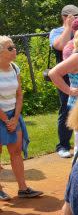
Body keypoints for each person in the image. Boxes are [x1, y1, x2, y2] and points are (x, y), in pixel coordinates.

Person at [0, 36, 41, 200]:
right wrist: (5, 119)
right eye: (10, 48)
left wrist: (15, 118)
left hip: (13, 115)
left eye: (14, 47)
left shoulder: (15, 68)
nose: (14, 50)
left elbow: (19, 94)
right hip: (2, 116)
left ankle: (23, 189)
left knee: (16, 152)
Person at [49, 4, 78, 158]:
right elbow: (60, 45)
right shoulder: (56, 32)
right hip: (65, 78)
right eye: (74, 16)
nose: (77, 18)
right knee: (67, 109)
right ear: (65, 17)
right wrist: (68, 27)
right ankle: (63, 145)